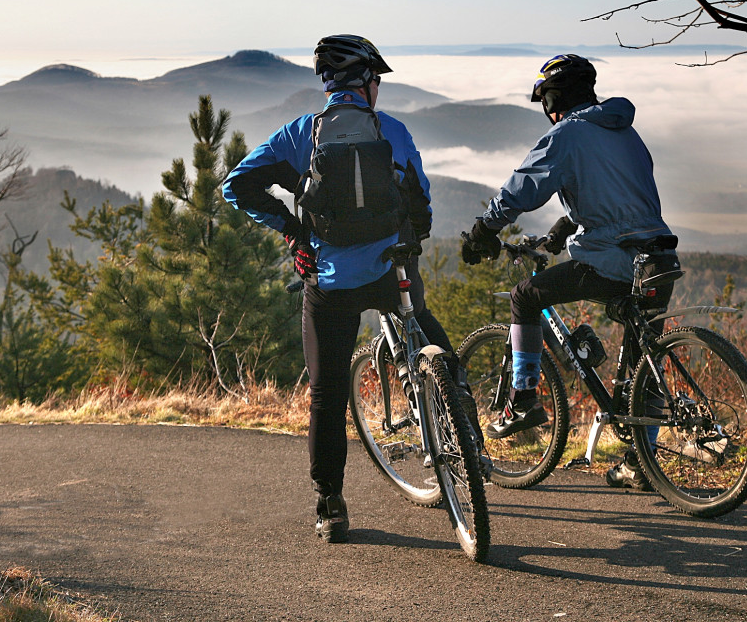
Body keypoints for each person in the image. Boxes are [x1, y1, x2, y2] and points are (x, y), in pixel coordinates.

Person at [223, 34, 465, 543]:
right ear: (368, 83)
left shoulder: (299, 135)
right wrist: (408, 243)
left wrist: (293, 231)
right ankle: (465, 429)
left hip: (329, 282)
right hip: (387, 274)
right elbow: (420, 200)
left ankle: (330, 504)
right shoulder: (393, 131)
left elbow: (236, 185)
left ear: (330, 86)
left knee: (327, 395)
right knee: (427, 334)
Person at [460, 53, 678, 490]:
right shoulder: (623, 130)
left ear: (553, 99)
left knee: (525, 296)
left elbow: (523, 187)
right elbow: (616, 195)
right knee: (641, 364)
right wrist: (563, 229)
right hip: (658, 257)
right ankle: (642, 464)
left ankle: (523, 400)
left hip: (613, 260)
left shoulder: (567, 133)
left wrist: (484, 229)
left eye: (546, 100)